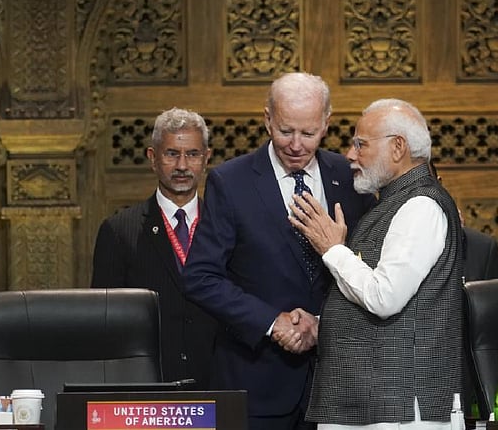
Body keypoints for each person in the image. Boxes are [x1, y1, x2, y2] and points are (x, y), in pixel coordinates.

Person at [183, 73, 375, 430]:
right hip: (256, 383)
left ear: (326, 124)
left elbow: (372, 275)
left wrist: (324, 325)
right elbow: (201, 277)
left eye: (309, 133)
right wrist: (273, 323)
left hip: (337, 384)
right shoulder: (231, 181)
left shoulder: (351, 178)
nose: (297, 145)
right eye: (286, 131)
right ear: (267, 119)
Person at [288, 98, 464, 429]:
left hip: (396, 407)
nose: (350, 155)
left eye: (360, 144)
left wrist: (332, 249)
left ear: (398, 147)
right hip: (374, 402)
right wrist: (321, 323)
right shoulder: (393, 203)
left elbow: (384, 297)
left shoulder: (420, 206)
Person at [91, 107, 217, 389]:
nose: (182, 165)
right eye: (172, 154)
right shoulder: (119, 231)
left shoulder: (226, 227)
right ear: (153, 158)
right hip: (146, 386)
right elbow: (106, 325)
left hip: (217, 384)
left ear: (206, 158)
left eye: (193, 154)